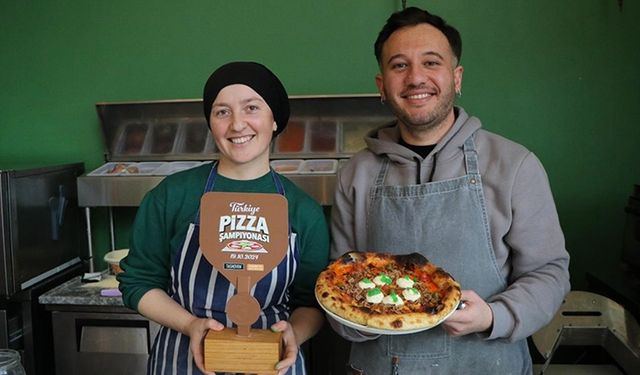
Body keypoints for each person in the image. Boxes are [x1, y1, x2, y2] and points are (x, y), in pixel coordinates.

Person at [329, 7, 571, 374]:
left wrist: (494, 315)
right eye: (399, 66)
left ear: (456, 78)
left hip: (486, 362)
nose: (416, 78)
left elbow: (550, 272)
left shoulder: (514, 164)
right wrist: (355, 320)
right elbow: (341, 279)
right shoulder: (356, 174)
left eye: (431, 62)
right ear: (382, 86)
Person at [118, 61, 330, 375]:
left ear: (275, 120)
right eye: (222, 112)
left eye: (252, 108)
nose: (237, 125)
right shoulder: (172, 195)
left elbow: (311, 301)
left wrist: (293, 334)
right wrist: (191, 325)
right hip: (183, 360)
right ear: (211, 123)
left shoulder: (303, 210)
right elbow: (138, 282)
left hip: (273, 362)